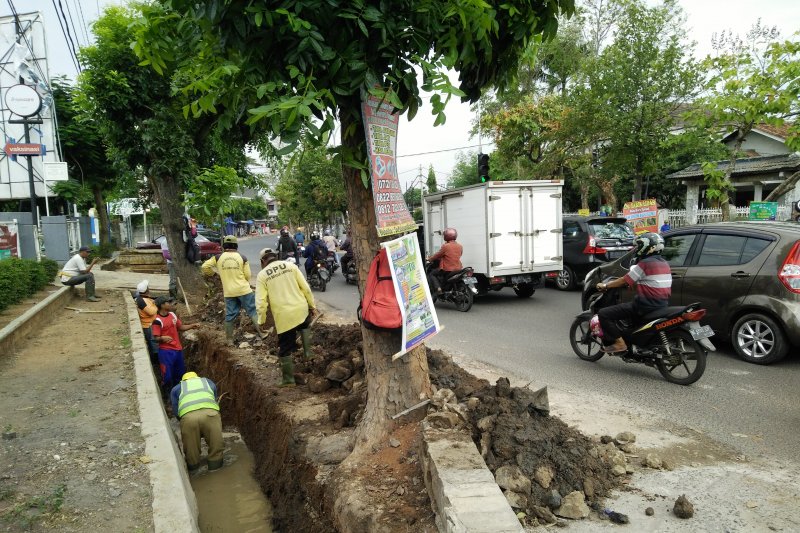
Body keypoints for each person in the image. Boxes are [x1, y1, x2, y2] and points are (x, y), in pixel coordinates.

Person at [595, 232, 671, 353]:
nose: (637, 248)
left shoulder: (645, 263)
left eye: (639, 245)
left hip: (645, 305)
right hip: (662, 304)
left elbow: (625, 280)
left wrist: (605, 285)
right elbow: (649, 281)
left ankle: (620, 344)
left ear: (649, 247)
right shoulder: (664, 263)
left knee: (604, 314)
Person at [255, 248, 317, 386]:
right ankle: (308, 353)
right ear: (276, 256)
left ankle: (288, 380)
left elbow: (261, 302)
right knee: (305, 326)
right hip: (301, 309)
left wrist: (261, 320)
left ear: (262, 261)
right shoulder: (291, 266)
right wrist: (312, 306)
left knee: (284, 348)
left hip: (284, 317)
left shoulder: (262, 275)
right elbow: (306, 288)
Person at [201, 235, 264, 345]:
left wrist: (213, 274)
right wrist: (242, 281)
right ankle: (262, 333)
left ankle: (229, 340)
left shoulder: (218, 257)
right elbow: (248, 275)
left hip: (229, 292)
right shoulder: (242, 257)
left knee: (230, 315)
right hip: (244, 290)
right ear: (236, 245)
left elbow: (204, 267)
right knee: (253, 311)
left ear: (224, 245)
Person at [170, 371, 224, 472]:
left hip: (189, 418)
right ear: (197, 377)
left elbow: (176, 411)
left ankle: (194, 470)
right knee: (216, 445)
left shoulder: (176, 389)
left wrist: (185, 422)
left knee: (191, 449)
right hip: (211, 414)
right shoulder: (208, 382)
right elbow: (214, 399)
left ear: (183, 380)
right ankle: (216, 468)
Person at [151, 296, 200, 390]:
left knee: (180, 374)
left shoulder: (172, 315)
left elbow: (180, 327)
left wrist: (191, 326)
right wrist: (162, 338)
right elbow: (155, 338)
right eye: (168, 302)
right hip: (166, 352)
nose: (170, 304)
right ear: (162, 305)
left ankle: (179, 393)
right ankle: (168, 393)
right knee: (167, 376)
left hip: (177, 350)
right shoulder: (157, 321)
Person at [426, 227, 463, 295]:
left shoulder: (446, 246)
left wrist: (429, 259)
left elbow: (437, 255)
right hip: (458, 268)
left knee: (432, 274)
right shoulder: (460, 246)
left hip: (447, 269)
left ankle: (438, 289)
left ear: (447, 236)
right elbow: (460, 254)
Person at [133, 279, 158, 364]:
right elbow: (151, 312)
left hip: (148, 324)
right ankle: (155, 361)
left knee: (152, 342)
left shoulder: (142, 298)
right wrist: (156, 305)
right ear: (146, 290)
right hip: (148, 325)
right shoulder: (142, 301)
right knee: (153, 342)